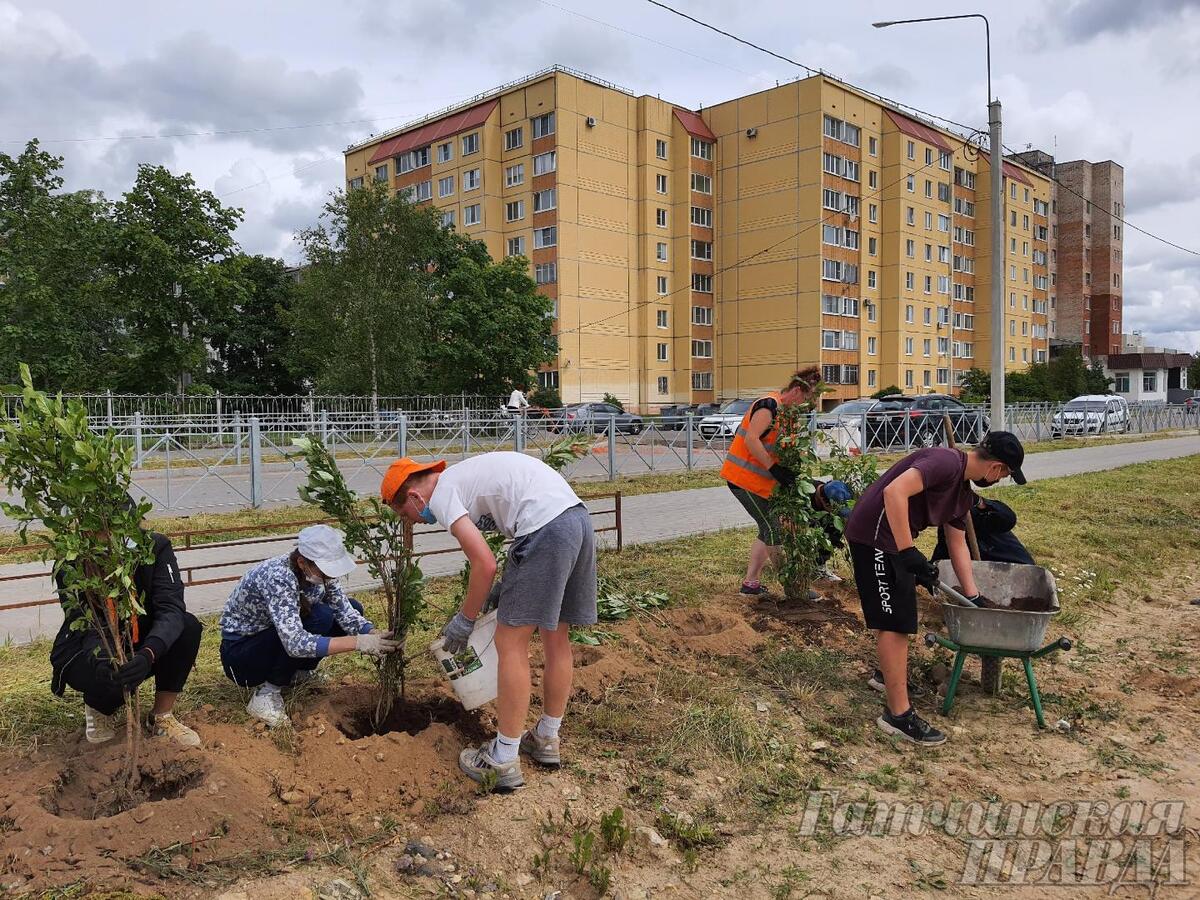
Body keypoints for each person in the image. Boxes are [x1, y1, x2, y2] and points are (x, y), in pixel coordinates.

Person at [382, 451, 596, 792]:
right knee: (556, 637)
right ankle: (545, 737)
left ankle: (503, 758)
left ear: (414, 496)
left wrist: (465, 619)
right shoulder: (463, 479)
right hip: (576, 521)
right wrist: (506, 586)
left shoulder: (441, 494)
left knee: (509, 642)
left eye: (406, 514)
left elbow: (484, 563)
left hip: (545, 529)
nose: (414, 521)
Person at [843, 431, 1027, 746]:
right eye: (1006, 475)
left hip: (893, 542)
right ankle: (898, 716)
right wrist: (907, 552)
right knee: (895, 622)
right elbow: (894, 492)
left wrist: (973, 597)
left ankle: (887, 677)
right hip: (874, 535)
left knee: (901, 616)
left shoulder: (962, 496)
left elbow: (959, 545)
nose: (1000, 481)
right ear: (996, 468)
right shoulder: (944, 462)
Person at [49, 503, 204, 747]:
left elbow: (170, 607)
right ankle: (99, 707)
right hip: (89, 646)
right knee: (107, 676)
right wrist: (105, 660)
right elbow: (84, 620)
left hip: (140, 637)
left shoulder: (155, 547)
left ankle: (161, 716)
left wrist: (149, 653)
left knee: (187, 627)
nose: (111, 540)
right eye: (100, 531)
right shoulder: (72, 560)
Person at [219, 524, 398, 728]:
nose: (329, 578)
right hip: (242, 656)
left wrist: (372, 633)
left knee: (346, 609)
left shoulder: (319, 574)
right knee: (320, 617)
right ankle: (265, 695)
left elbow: (345, 611)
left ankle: (298, 673)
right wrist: (358, 642)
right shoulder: (278, 577)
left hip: (273, 640)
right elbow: (294, 643)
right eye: (325, 572)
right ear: (302, 562)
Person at [718, 367, 821, 597]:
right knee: (774, 529)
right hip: (743, 481)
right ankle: (794, 588)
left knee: (767, 530)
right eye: (806, 399)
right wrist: (774, 468)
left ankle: (750, 584)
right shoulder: (769, 406)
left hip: (762, 485)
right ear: (796, 391)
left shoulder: (788, 416)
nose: (805, 405)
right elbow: (751, 440)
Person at [931, 495, 1034, 566]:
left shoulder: (979, 515)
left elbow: (1008, 518)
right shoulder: (947, 527)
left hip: (1016, 570)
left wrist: (979, 502)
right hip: (983, 575)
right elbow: (942, 556)